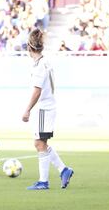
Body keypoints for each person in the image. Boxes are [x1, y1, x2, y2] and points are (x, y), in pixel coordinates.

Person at [22, 28, 74, 190]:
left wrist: (27, 110)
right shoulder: (45, 62)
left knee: (39, 143)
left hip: (44, 109)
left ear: (29, 48)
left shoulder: (39, 66)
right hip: (47, 107)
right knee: (40, 143)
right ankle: (63, 170)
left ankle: (44, 181)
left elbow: (37, 90)